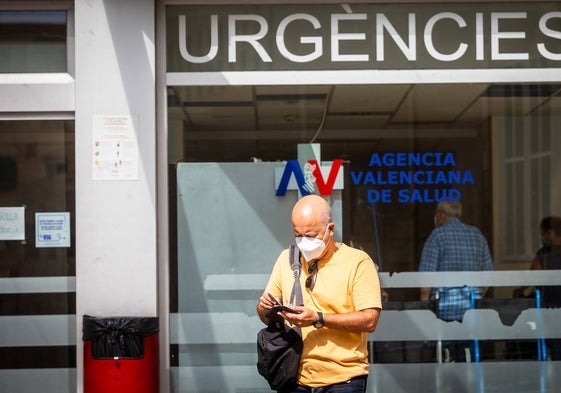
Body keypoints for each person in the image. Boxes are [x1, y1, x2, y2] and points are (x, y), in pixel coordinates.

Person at [257, 195, 382, 393]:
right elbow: (265, 318)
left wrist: (318, 318)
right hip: (295, 376)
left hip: (344, 378)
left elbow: (370, 320)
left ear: (330, 229)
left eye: (310, 235)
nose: (303, 241)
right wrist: (265, 309)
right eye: (298, 235)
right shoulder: (286, 259)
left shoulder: (357, 262)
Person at [418, 200, 494, 362]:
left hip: (445, 309)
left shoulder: (437, 235)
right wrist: (477, 297)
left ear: (441, 215)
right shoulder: (477, 235)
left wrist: (424, 308)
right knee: (468, 356)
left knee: (446, 359)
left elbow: (426, 278)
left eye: (436, 214)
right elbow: (488, 276)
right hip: (472, 310)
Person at [514, 216, 561, 360]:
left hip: (551, 306)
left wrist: (520, 290)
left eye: (543, 234)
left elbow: (532, 276)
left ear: (550, 232)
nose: (542, 237)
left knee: (555, 347)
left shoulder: (544, 254)